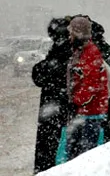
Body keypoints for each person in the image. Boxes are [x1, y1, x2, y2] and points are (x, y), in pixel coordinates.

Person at [65, 16, 108, 161]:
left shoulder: (90, 52)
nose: (69, 36)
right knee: (78, 155)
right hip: (84, 112)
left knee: (85, 157)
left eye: (71, 33)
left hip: (89, 113)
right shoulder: (80, 51)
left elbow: (91, 84)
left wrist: (76, 102)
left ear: (78, 34)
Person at [31, 17, 72, 174]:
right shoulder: (66, 49)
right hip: (58, 109)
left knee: (49, 152)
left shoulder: (62, 52)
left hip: (55, 110)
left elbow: (40, 76)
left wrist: (41, 67)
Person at [90, 20, 110, 143]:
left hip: (102, 100)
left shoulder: (93, 50)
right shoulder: (106, 48)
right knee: (106, 130)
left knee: (101, 132)